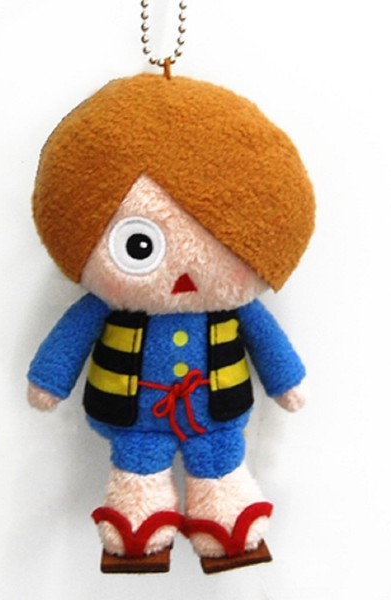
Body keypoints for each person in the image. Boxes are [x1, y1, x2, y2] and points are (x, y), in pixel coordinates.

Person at [27, 74, 315, 573]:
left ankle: (226, 522)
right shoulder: (105, 303)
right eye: (138, 246)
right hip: (135, 417)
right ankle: (138, 526)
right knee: (137, 465)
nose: (183, 272)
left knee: (220, 461)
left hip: (216, 415)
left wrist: (286, 382)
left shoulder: (236, 308)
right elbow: (67, 342)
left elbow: (270, 346)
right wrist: (48, 382)